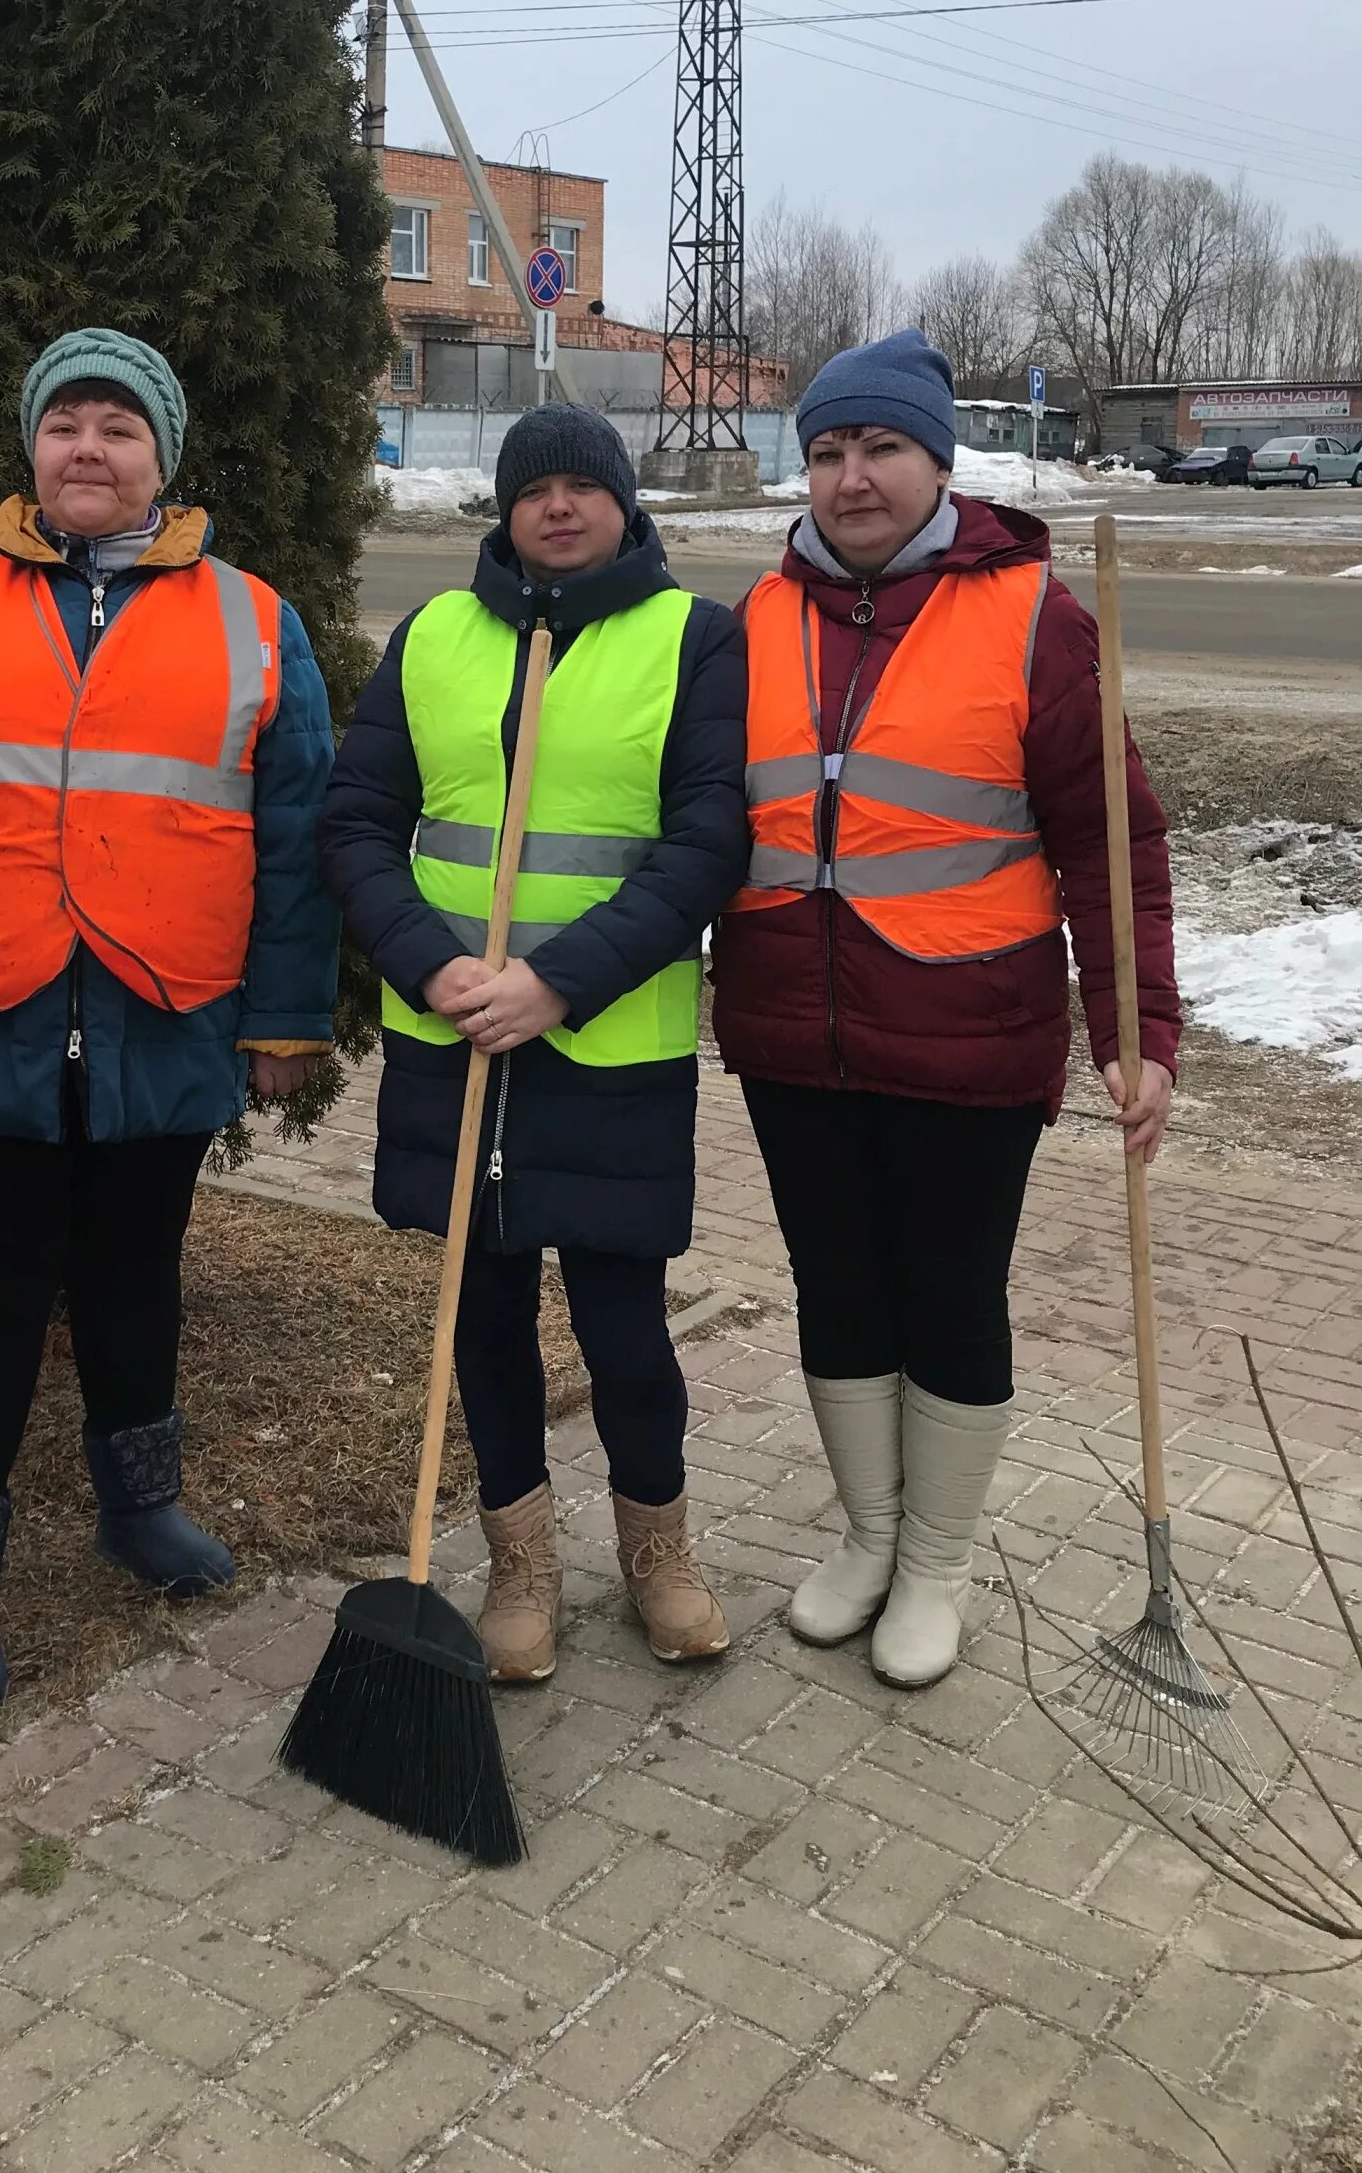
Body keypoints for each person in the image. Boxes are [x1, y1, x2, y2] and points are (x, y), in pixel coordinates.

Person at [0, 328, 339, 1720]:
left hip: (160, 1008)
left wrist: (285, 1014)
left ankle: (139, 1502)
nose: (88, 449)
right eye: (66, 425)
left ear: (162, 458)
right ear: (32, 451)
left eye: (118, 426)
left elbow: (293, 838)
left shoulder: (253, 618)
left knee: (134, 1272)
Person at [712, 329, 1182, 1688]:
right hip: (792, 1033)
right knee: (837, 1287)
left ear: (936, 459)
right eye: (828, 451)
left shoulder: (1037, 615)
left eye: (880, 448)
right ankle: (867, 1533)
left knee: (951, 1296)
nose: (851, 478)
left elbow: (1110, 842)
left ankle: (936, 1560)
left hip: (969, 1035)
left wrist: (1136, 1031)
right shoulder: (756, 618)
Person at [321, 404, 748, 1683]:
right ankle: (519, 1560)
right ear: (503, 511)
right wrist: (435, 963)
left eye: (582, 484)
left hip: (604, 1046)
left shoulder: (690, 636)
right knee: (483, 1315)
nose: (557, 506)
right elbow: (353, 820)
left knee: (623, 1326)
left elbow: (707, 842)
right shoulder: (434, 638)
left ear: (623, 501)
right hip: (452, 1042)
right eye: (533, 488)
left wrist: (558, 983)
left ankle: (657, 1548)